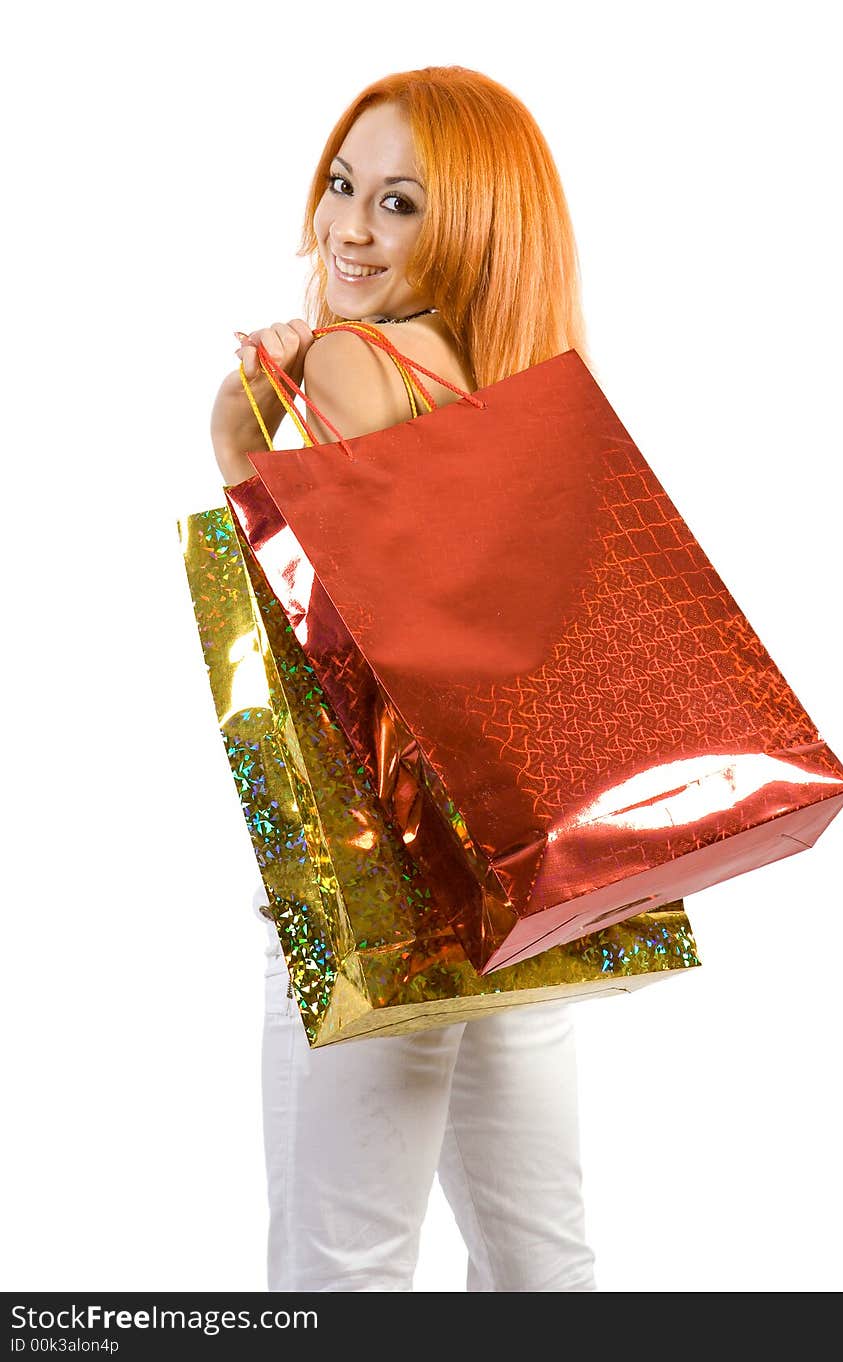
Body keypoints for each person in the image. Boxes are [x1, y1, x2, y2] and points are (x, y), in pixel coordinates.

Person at [210, 65, 597, 1294]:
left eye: (400, 204)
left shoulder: (346, 361)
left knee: (340, 1266)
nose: (349, 228)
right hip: (519, 884)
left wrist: (238, 436)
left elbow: (330, 637)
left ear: (475, 222)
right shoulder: (521, 379)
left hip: (379, 883)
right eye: (341, 185)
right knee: (540, 1261)